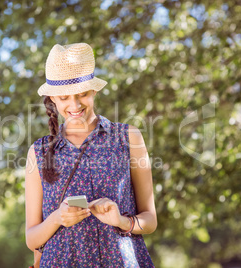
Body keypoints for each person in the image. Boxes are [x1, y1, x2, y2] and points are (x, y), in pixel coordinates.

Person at [25, 43, 157, 267]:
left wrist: (122, 221)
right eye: (64, 98)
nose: (74, 105)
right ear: (53, 99)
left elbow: (150, 220)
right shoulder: (38, 152)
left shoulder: (128, 137)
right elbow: (32, 239)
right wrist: (58, 218)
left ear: (94, 91)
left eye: (82, 94)